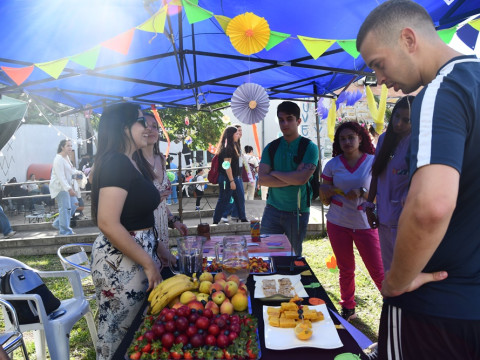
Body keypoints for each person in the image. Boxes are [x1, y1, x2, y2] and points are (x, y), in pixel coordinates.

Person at [357, 0, 480, 358]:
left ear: (408, 39)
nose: (379, 79)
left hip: (437, 307)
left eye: (378, 64)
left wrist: (395, 281)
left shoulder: (440, 90)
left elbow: (431, 206)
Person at [90, 103, 162, 359]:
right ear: (124, 128)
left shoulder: (132, 161)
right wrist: (148, 263)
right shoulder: (116, 163)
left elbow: (139, 213)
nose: (147, 127)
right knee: (118, 337)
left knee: (137, 335)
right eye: (141, 122)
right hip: (120, 263)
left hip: (137, 257)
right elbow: (107, 222)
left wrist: (159, 249)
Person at [319, 121, 384, 321]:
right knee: (345, 268)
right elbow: (324, 199)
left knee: (378, 269)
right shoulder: (332, 164)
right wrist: (326, 191)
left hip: (365, 223)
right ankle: (348, 308)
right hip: (338, 223)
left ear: (360, 138)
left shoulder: (373, 161)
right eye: (342, 138)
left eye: (351, 137)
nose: (347, 142)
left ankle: (394, 305)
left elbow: (383, 193)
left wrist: (363, 193)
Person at [258, 101, 318, 257]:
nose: (285, 123)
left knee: (292, 257)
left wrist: (274, 172)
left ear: (298, 121)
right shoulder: (271, 148)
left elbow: (302, 179)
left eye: (289, 119)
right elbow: (262, 180)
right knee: (266, 254)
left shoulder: (309, 147)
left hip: (297, 213)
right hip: (272, 210)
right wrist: (294, 177)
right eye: (281, 119)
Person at [364, 96, 414, 272]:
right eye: (396, 116)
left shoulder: (417, 143)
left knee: (404, 270)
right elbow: (376, 175)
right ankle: (390, 300)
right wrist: (369, 206)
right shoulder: (385, 139)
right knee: (388, 269)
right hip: (383, 216)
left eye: (406, 120)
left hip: (406, 221)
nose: (399, 123)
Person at [140, 112, 187, 266]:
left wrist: (174, 221)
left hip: (162, 231)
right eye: (146, 125)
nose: (151, 130)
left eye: (155, 126)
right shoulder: (134, 162)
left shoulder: (161, 158)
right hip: (144, 230)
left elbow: (161, 202)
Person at [212, 126, 247, 224]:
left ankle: (243, 218)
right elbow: (227, 166)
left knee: (240, 198)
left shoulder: (235, 145)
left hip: (235, 177)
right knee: (224, 199)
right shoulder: (227, 148)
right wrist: (232, 181)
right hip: (227, 178)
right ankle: (215, 220)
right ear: (231, 135)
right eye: (236, 133)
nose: (238, 135)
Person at [49, 139, 78, 235]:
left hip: (66, 187)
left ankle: (58, 223)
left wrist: (78, 174)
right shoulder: (58, 159)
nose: (70, 148)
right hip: (60, 188)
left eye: (71, 145)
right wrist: (69, 189)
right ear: (62, 147)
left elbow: (71, 170)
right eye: (68, 146)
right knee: (65, 208)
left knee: (74, 205)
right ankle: (65, 231)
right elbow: (61, 176)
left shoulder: (66, 157)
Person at [221, 124, 244, 222]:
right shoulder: (229, 147)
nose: (239, 133)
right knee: (234, 196)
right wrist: (231, 180)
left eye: (240, 131)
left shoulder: (237, 144)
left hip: (238, 175)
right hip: (232, 176)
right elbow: (227, 165)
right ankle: (224, 215)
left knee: (238, 197)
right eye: (237, 131)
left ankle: (234, 215)